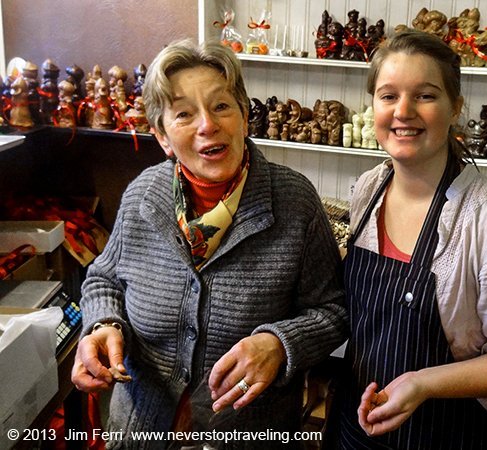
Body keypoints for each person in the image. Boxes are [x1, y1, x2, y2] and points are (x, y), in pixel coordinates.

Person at [71, 38, 348, 449]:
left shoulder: (294, 201)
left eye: (221, 106)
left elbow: (334, 309)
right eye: (184, 113)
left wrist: (278, 343)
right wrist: (101, 325)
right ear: (163, 136)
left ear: (244, 117)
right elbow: (104, 279)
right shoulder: (143, 195)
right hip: (141, 431)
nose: (207, 125)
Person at [329, 30, 487, 449]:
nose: (403, 111)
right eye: (388, 96)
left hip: (447, 433)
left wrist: (423, 383)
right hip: (355, 424)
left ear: (455, 106)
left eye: (425, 96)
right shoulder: (369, 188)